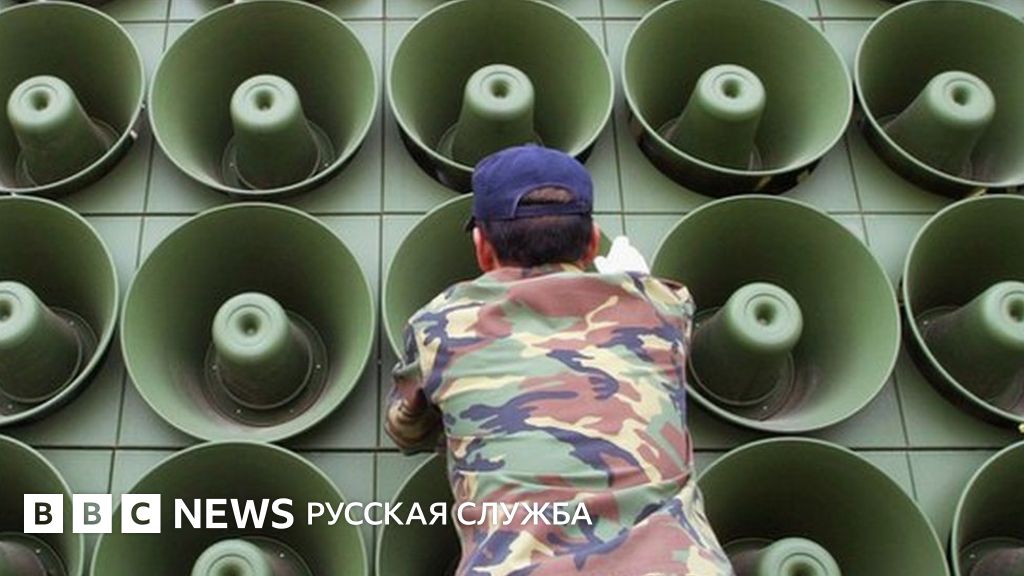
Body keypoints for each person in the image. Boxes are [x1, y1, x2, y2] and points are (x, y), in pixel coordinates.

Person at [386, 145, 734, 576]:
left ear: (482, 248)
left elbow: (406, 430)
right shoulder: (665, 308)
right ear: (592, 242)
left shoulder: (439, 326)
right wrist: (639, 285)